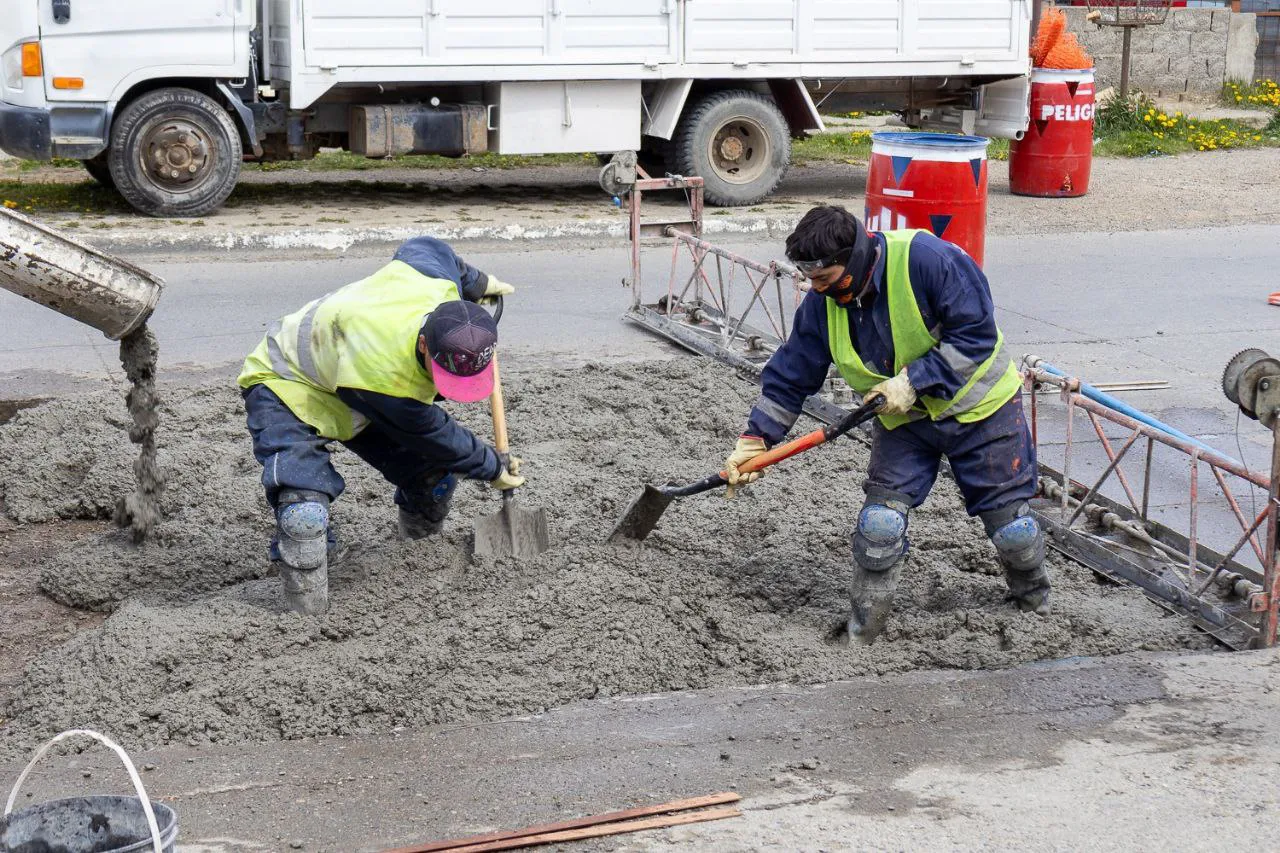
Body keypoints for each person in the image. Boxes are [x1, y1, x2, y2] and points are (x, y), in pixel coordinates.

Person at [722, 205, 1046, 642]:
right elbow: (792, 374)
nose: (815, 289)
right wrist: (755, 439)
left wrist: (915, 380)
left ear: (852, 259)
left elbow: (976, 336)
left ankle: (1037, 608)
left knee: (1013, 531)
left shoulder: (927, 261)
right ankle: (862, 637)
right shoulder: (824, 303)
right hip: (905, 425)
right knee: (879, 527)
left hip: (982, 413)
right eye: (809, 279)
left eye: (824, 278)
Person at [238, 236, 523, 612]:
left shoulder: (431, 282)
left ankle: (420, 554)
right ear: (425, 345)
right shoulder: (388, 380)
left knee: (433, 479)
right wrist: (492, 467)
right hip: (287, 383)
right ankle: (304, 618)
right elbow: (436, 435)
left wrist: (475, 281)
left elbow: (427, 247)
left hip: (350, 382)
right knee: (304, 513)